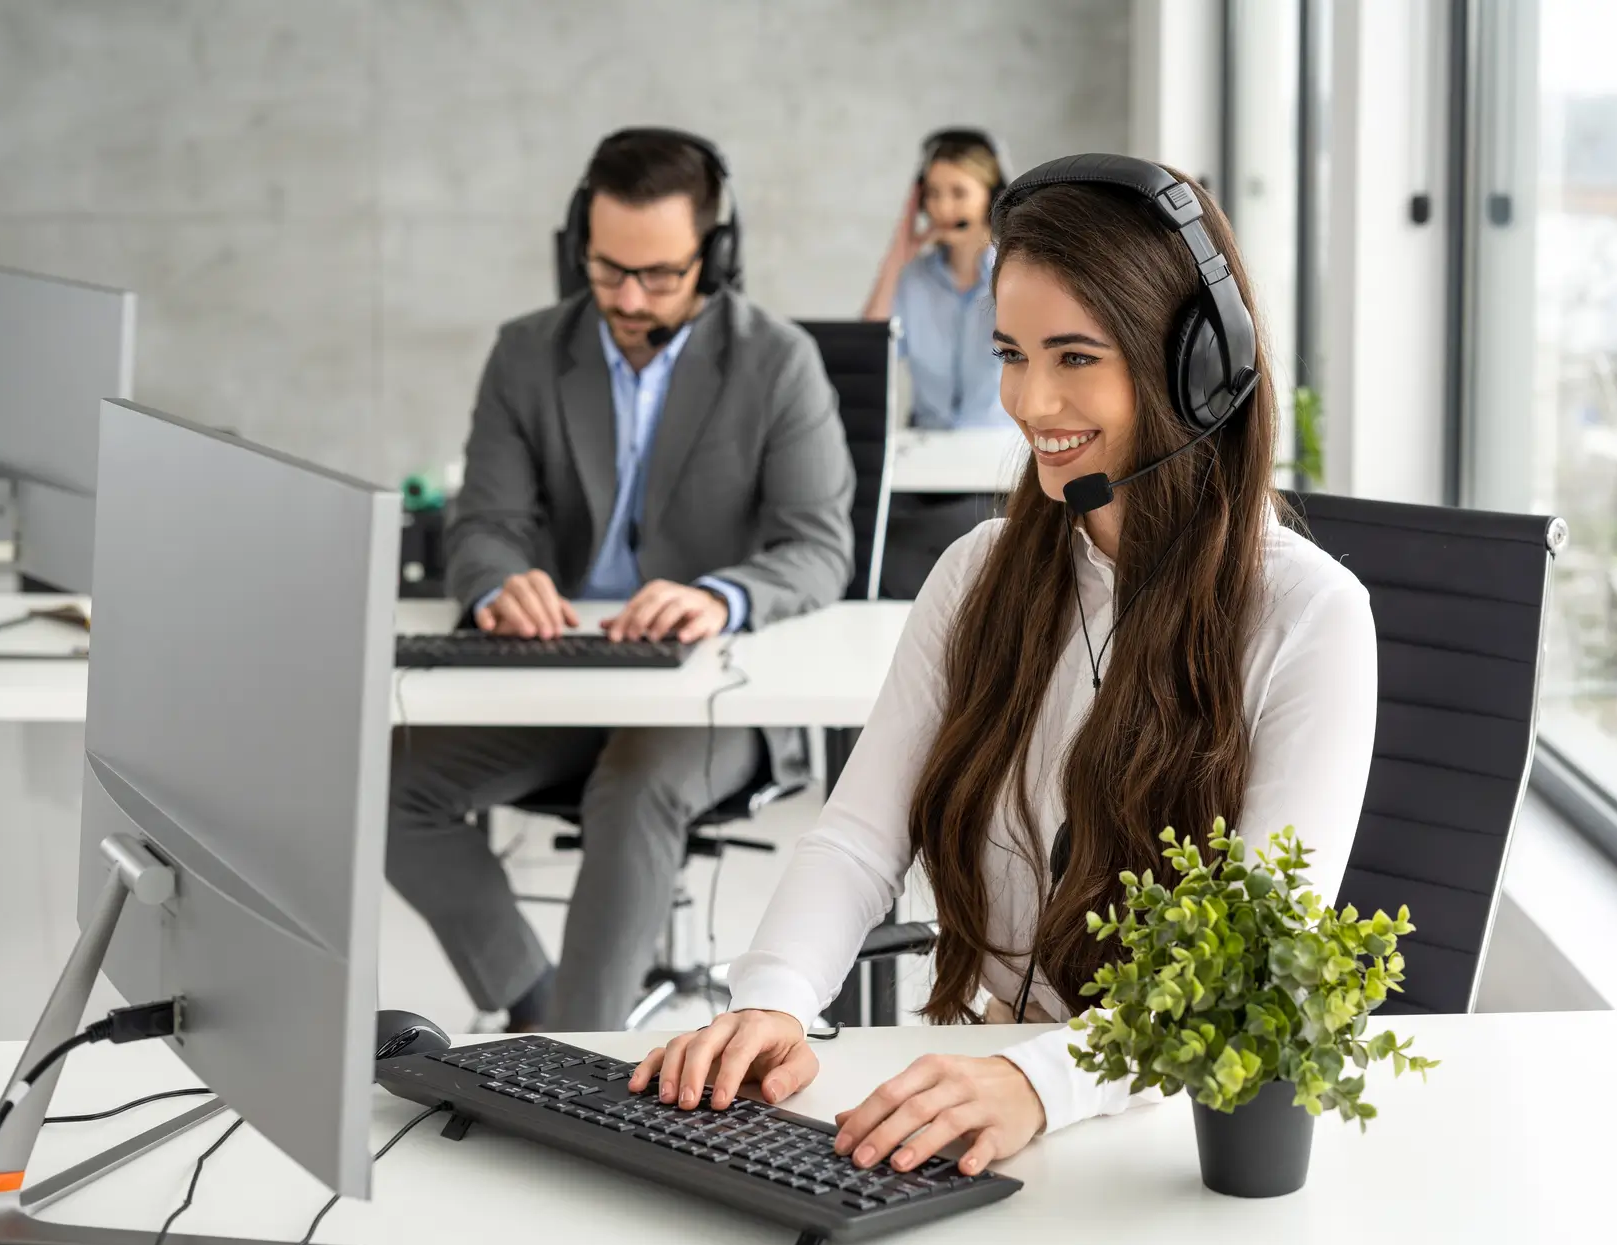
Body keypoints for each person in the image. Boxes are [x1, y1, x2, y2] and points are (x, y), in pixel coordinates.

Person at [633, 157, 1379, 1179]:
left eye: (1075, 356)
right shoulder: (979, 573)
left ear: (1198, 369)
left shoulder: (1309, 614)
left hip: (1172, 1134)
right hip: (988, 1082)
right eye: (1011, 353)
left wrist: (1042, 1084)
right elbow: (859, 836)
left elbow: (1254, 958)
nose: (1029, 400)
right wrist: (773, 999)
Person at [386, 127, 855, 1033]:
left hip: (713, 692)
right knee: (388, 785)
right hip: (565, 673)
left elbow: (817, 547)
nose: (630, 299)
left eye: (660, 275)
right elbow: (482, 525)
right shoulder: (526, 353)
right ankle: (538, 1009)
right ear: (578, 247)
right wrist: (497, 584)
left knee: (635, 787)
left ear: (716, 255)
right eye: (608, 270)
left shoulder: (778, 362)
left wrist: (720, 596)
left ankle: (576, 1057)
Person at [863, 128, 1014, 598]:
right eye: (933, 194)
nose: (944, 208)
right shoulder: (913, 279)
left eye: (958, 193)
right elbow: (870, 352)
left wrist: (1003, 253)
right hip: (927, 465)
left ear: (991, 197)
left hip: (996, 466)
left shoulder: (1015, 274)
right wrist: (899, 252)